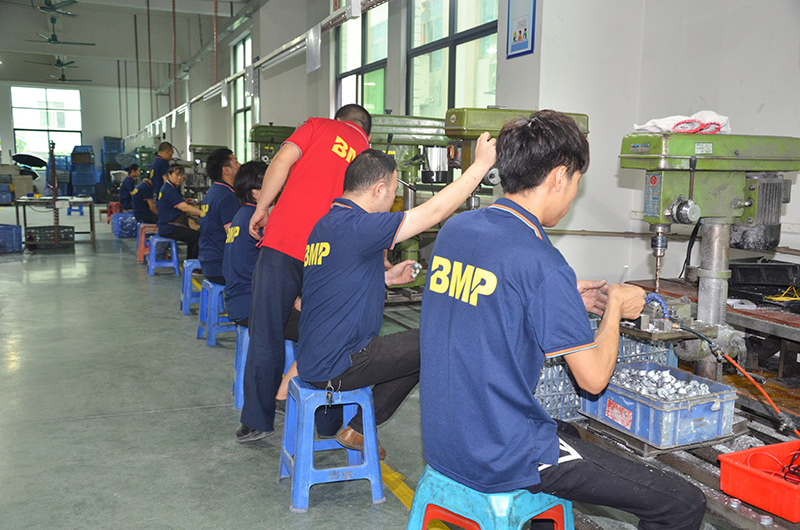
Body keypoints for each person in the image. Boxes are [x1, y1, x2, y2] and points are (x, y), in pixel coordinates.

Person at [418, 110, 706, 530]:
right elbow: (593, 380)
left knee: (566, 432)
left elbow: (492, 298)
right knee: (681, 502)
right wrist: (614, 307)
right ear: (559, 176)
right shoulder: (542, 262)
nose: (572, 197)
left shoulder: (457, 229)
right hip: (499, 454)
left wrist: (563, 298)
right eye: (575, 183)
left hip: (445, 441)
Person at [296, 134, 496, 459]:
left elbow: (335, 282)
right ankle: (362, 428)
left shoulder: (326, 224)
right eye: (392, 192)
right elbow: (434, 212)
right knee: (437, 340)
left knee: (418, 349)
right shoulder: (360, 226)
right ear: (379, 190)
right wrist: (480, 165)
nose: (392, 200)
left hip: (314, 358)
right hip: (341, 364)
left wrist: (386, 278)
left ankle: (358, 428)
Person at [236, 104, 372, 443]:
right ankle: (326, 424)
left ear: (339, 119)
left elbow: (281, 161)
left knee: (266, 330)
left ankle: (257, 421)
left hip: (284, 241)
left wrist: (262, 207)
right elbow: (370, 210)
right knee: (326, 332)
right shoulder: (367, 154)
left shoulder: (316, 126)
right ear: (366, 131)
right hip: (330, 253)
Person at [222, 160, 300, 403]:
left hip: (237, 301)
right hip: (253, 306)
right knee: (322, 331)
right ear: (257, 192)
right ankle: (284, 393)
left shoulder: (241, 216)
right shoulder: (260, 223)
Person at [199, 148, 241, 285]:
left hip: (209, 262)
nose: (240, 165)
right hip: (221, 267)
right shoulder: (227, 197)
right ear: (226, 170)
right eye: (236, 162)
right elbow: (233, 236)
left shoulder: (214, 192)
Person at [157, 164, 202, 260]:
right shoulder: (169, 190)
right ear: (169, 175)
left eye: (181, 175)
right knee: (198, 237)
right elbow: (184, 208)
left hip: (169, 225)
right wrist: (203, 214)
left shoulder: (172, 188)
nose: (179, 178)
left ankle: (190, 261)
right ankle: (192, 263)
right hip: (169, 228)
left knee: (193, 236)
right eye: (177, 175)